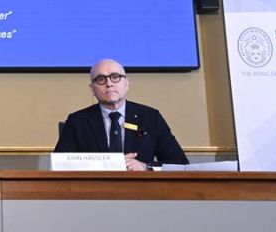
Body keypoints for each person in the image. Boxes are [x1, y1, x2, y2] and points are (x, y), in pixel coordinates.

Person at [54, 58, 188, 170]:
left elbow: (180, 163)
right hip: (94, 194)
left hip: (142, 193)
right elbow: (60, 165)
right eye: (101, 79)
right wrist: (108, 165)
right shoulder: (77, 121)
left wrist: (147, 167)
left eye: (115, 77)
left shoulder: (151, 117)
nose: (109, 84)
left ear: (127, 84)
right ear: (92, 89)